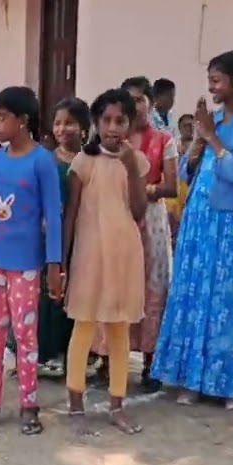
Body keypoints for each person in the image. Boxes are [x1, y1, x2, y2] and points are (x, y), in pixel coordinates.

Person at [152, 50, 233, 409]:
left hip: (232, 223)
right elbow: (189, 173)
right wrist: (200, 140)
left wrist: (213, 139)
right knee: (194, 296)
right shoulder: (213, 119)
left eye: (217, 80)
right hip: (199, 221)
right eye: (210, 80)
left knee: (228, 301)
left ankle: (232, 385)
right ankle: (192, 378)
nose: (212, 87)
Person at [0, 86, 63, 435]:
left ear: (22, 121)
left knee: (26, 336)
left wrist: (54, 265)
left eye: (1, 117)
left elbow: (53, 216)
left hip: (25, 264)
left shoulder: (43, 162)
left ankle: (29, 405)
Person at [62, 88, 150, 436]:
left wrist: (131, 168)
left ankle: (117, 404)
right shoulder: (83, 163)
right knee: (84, 328)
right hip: (89, 256)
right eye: (107, 121)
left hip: (124, 255)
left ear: (130, 124)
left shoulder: (136, 161)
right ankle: (75, 407)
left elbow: (140, 211)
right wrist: (62, 262)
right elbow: (70, 215)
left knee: (119, 329)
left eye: (121, 121)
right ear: (96, 124)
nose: (114, 127)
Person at [90, 77, 178, 391]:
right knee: (113, 284)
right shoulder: (112, 139)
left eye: (141, 99)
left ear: (151, 103)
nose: (136, 105)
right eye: (130, 99)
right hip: (116, 217)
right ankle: (106, 359)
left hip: (150, 220)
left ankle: (151, 363)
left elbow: (171, 186)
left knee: (151, 287)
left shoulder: (163, 139)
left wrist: (142, 188)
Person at [36, 96, 89, 378]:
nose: (62, 129)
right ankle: (44, 353)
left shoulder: (90, 159)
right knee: (48, 294)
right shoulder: (47, 160)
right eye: (57, 123)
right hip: (50, 238)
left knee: (77, 293)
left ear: (83, 127)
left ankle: (76, 355)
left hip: (84, 236)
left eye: (69, 123)